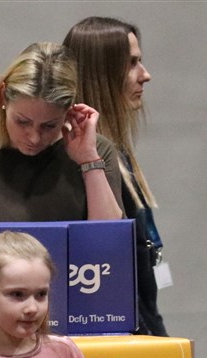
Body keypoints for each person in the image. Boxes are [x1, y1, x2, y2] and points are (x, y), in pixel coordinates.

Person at [0, 42, 123, 222]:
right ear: (3, 97)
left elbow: (109, 239)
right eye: (23, 122)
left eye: (49, 126)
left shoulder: (96, 152)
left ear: (68, 111)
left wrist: (89, 162)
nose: (34, 137)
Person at [64, 16, 169, 336]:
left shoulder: (118, 157)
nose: (145, 75)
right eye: (132, 63)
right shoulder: (80, 164)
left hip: (143, 329)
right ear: (102, 73)